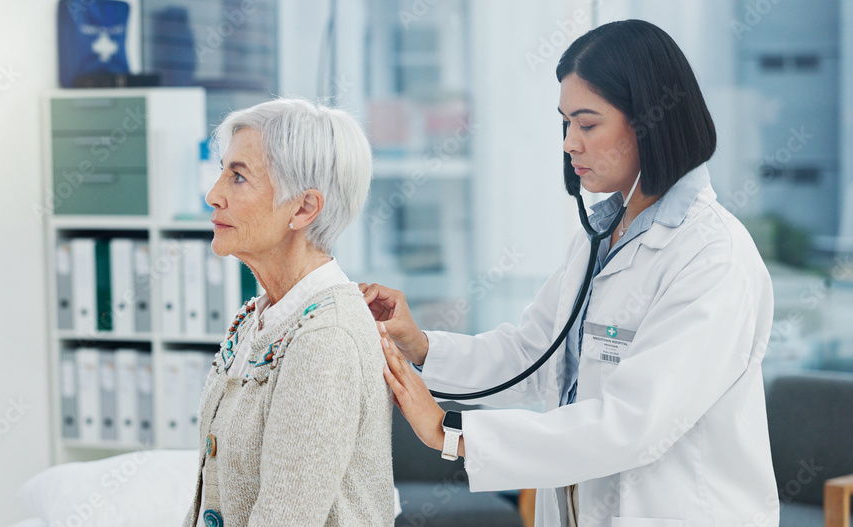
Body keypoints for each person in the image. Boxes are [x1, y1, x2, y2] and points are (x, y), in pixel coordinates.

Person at [361, 19, 778, 527]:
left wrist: (454, 435)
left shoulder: (713, 255)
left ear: (650, 121)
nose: (569, 144)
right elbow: (531, 355)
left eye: (588, 123)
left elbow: (636, 424)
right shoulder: (599, 238)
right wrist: (419, 344)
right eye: (565, 124)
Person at [184, 98, 394, 527]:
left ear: (303, 209)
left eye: (238, 177)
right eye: (223, 171)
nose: (213, 195)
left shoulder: (325, 339)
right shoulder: (256, 319)